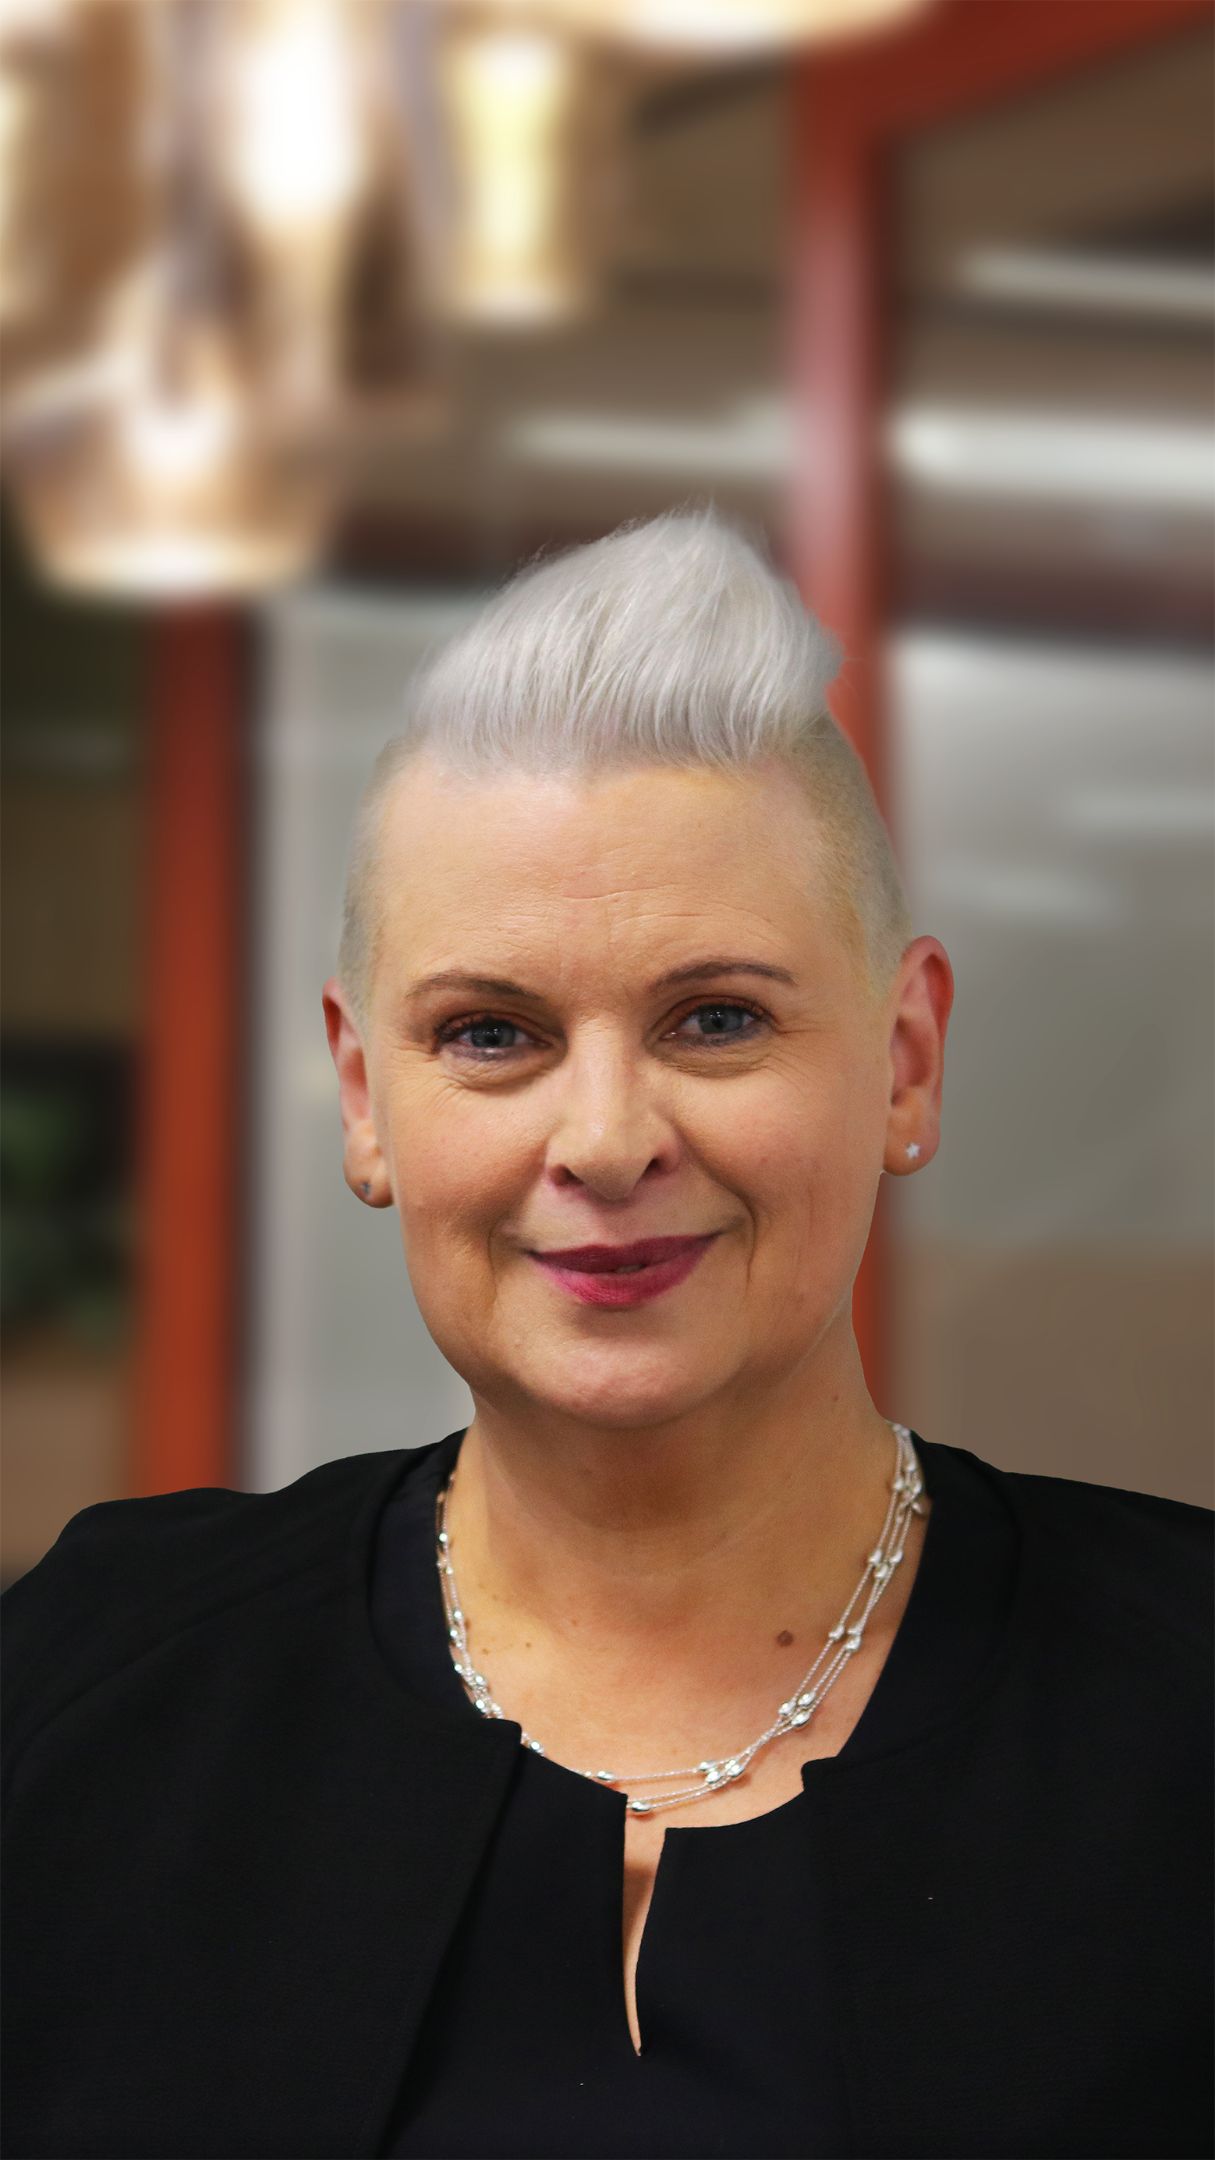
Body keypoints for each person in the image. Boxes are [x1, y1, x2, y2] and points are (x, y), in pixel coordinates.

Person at [2, 510, 1210, 2160]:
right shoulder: (95, 1693)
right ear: (367, 1099)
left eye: (717, 1020)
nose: (605, 1138)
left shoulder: (1181, 1703)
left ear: (908, 1060)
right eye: (490, 1034)